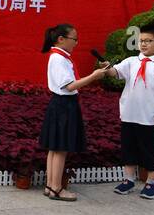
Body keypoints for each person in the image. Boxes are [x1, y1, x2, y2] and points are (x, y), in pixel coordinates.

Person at [102, 22, 154, 200]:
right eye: (141, 40)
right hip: (129, 114)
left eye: (149, 41)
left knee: (149, 150)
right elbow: (115, 73)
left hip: (149, 117)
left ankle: (151, 183)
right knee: (128, 148)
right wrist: (107, 68)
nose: (143, 44)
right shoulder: (131, 61)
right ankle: (128, 180)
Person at [39, 23, 108, 202]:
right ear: (61, 39)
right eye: (74, 39)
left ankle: (50, 186)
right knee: (60, 149)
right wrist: (93, 76)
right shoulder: (59, 59)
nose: (76, 43)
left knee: (54, 148)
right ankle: (56, 188)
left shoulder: (59, 57)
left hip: (59, 103)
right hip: (64, 104)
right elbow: (69, 86)